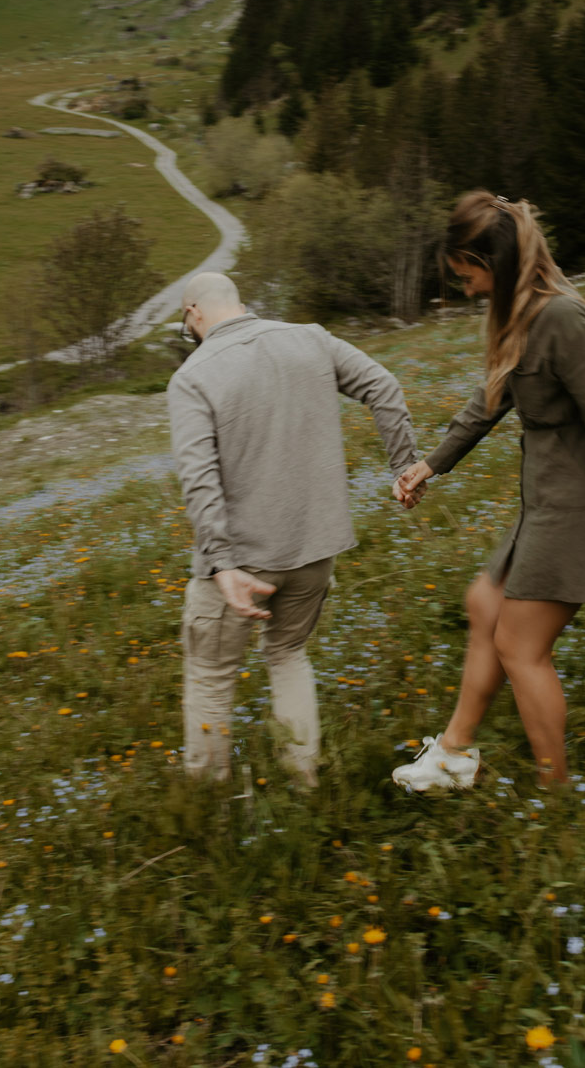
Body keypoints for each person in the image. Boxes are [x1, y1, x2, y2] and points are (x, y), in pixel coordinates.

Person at [391, 192, 585, 792]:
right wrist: (429, 465)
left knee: (518, 645)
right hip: (547, 501)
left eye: (470, 275)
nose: (468, 290)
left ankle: (553, 793)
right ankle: (455, 755)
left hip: (580, 505)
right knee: (485, 605)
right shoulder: (518, 318)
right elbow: (489, 401)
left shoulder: (564, 320)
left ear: (496, 263)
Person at [168, 271, 420, 786]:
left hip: (242, 563)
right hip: (314, 550)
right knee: (287, 655)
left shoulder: (193, 377)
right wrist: (406, 467)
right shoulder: (311, 338)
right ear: (239, 302)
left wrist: (220, 560)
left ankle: (205, 802)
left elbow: (199, 479)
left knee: (212, 676)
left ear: (193, 313)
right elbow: (383, 386)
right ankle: (302, 786)